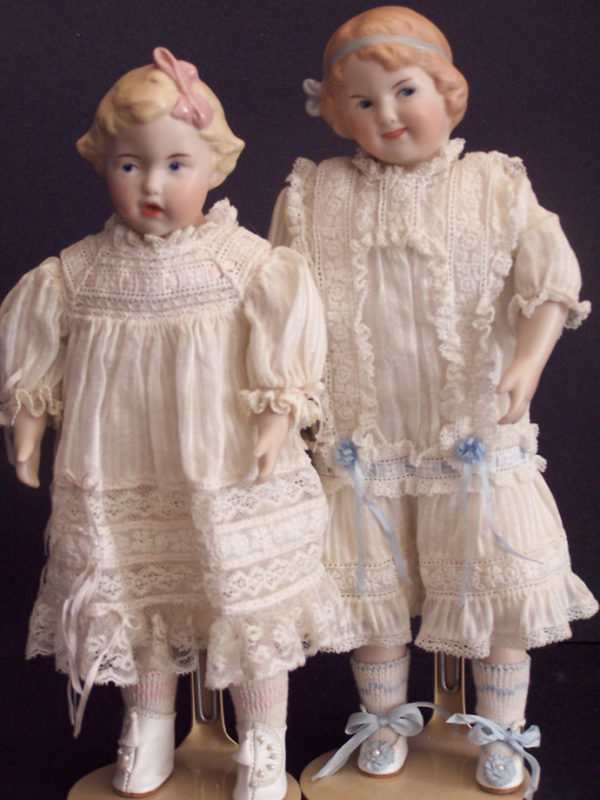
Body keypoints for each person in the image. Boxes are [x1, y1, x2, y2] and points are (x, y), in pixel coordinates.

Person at [269, 7, 597, 796]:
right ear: (336, 112)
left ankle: (502, 728)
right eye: (363, 101)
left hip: (470, 432)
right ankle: (383, 719)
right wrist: (289, 395)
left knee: (494, 592)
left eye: (405, 91)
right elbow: (283, 305)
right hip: (367, 436)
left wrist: (527, 361)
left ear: (448, 93)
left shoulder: (492, 184)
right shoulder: (317, 194)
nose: (387, 114)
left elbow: (549, 276)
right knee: (372, 594)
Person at [0, 46, 342, 800]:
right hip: (122, 472)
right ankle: (149, 723)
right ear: (104, 166)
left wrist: (276, 418)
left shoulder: (246, 265)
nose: (151, 185)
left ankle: (263, 738)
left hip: (225, 470)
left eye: (176, 165)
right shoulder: (79, 272)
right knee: (136, 597)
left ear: (214, 167)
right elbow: (37, 353)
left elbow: (285, 352)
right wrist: (27, 422)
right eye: (130, 165)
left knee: (242, 605)